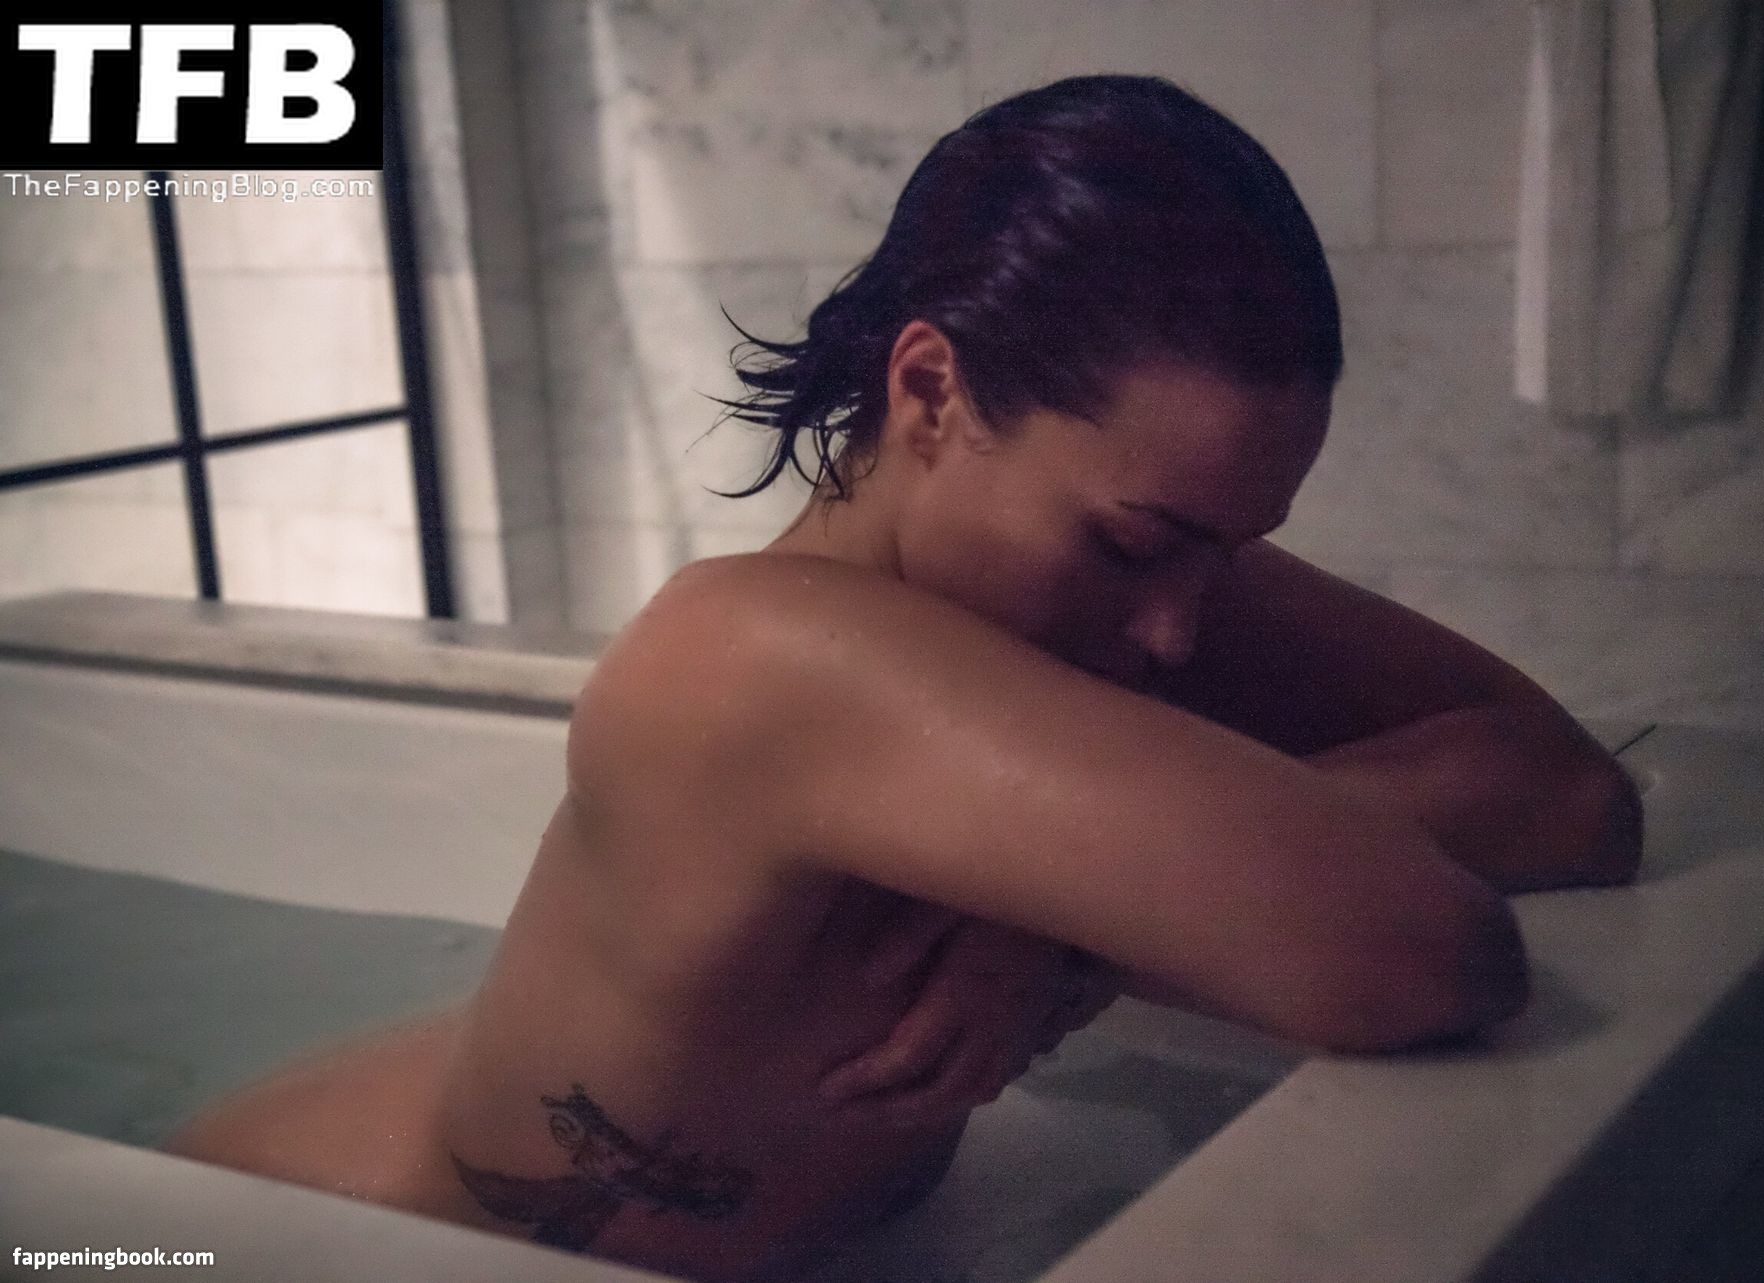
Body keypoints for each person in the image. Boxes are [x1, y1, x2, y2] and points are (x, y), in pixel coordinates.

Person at [164, 74, 1642, 1282]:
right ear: (930, 392)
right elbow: (1424, 955)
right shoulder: (752, 655)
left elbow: (1572, 794)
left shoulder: (1124, 598)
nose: (1183, 631)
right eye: (1136, 543)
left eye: (1228, 551)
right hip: (316, 1239)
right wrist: (1103, 914)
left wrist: (1045, 931)